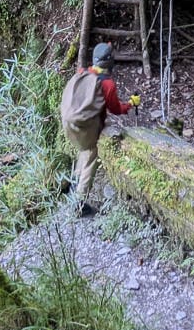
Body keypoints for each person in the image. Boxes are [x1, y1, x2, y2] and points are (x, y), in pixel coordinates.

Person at [59, 41, 140, 216]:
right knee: (91, 156)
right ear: (110, 62)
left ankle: (74, 184)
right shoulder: (107, 85)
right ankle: (78, 204)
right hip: (85, 127)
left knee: (83, 150)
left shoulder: (84, 73)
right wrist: (130, 104)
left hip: (70, 123)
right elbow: (115, 109)